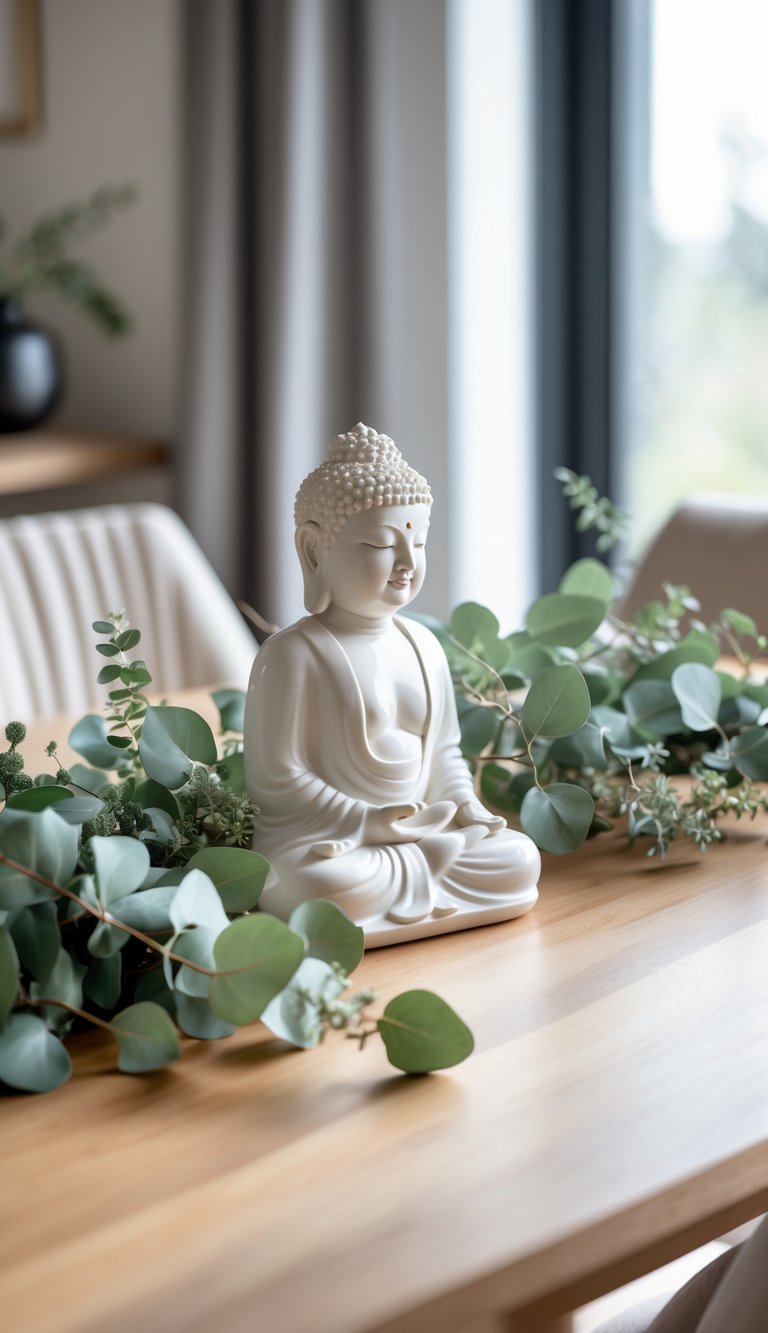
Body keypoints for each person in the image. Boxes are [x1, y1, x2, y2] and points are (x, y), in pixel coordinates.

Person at [244, 423, 539, 946]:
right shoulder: (291, 656)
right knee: (312, 887)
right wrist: (365, 821)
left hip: (419, 832)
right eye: (382, 543)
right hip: (331, 844)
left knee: (517, 857)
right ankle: (411, 878)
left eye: (419, 541)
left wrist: (465, 804)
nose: (407, 563)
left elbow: (445, 754)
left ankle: (421, 872)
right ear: (314, 552)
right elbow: (277, 781)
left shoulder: (424, 644)